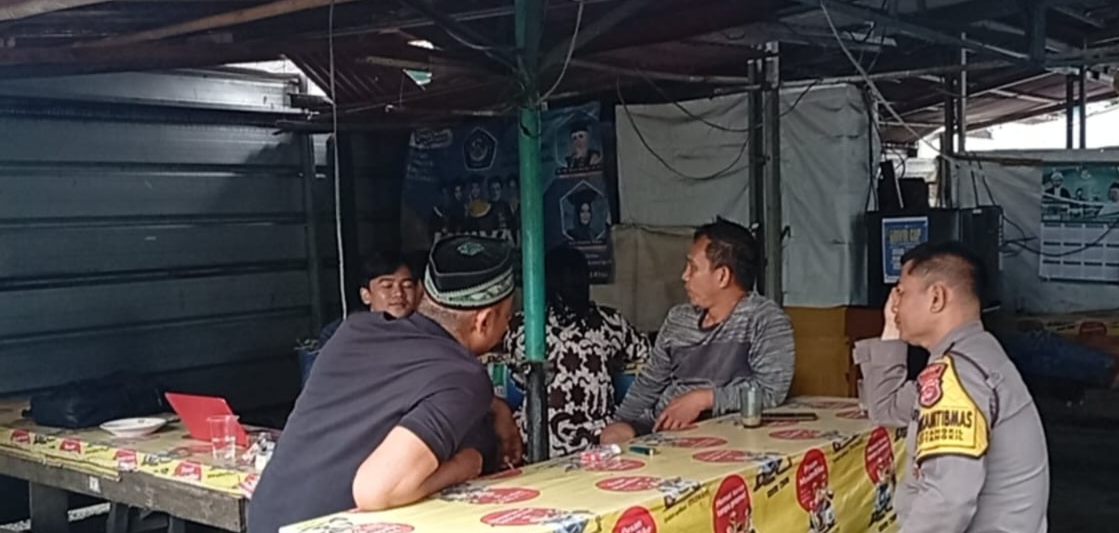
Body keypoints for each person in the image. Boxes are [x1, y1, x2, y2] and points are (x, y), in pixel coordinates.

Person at [249, 237, 519, 533]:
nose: (507, 327)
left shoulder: (354, 331)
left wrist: (495, 408)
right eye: (507, 317)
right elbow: (375, 489)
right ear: (483, 321)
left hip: (268, 519)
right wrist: (463, 466)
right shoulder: (464, 376)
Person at [853, 241, 1049, 533]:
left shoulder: (957, 374)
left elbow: (947, 502)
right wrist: (891, 329)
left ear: (936, 298)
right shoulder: (976, 354)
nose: (894, 304)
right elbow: (886, 408)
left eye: (901, 293)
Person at [600, 219, 795, 444]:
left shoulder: (765, 319)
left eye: (693, 268)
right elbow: (650, 382)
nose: (684, 276)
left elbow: (771, 391)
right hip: (663, 423)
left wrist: (703, 399)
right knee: (612, 436)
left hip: (727, 432)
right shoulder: (678, 319)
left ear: (722, 276)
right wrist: (620, 421)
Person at [504, 246, 650, 460]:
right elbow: (644, 352)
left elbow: (518, 380)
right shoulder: (609, 321)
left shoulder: (522, 325)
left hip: (537, 440)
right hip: (594, 439)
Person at [318, 251, 421, 346]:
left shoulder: (424, 330)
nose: (399, 293)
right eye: (387, 286)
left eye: (407, 286)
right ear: (366, 295)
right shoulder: (339, 334)